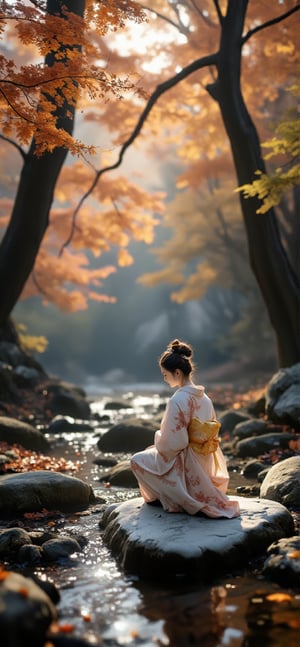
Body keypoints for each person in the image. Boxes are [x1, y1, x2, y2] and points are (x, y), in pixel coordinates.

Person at [131, 339, 240, 519]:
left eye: (165, 374)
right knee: (151, 453)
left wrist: (159, 436)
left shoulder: (177, 400)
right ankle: (177, 495)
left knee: (137, 460)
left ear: (177, 372)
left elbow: (175, 443)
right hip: (204, 460)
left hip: (185, 463)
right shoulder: (204, 398)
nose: (164, 378)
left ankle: (173, 498)